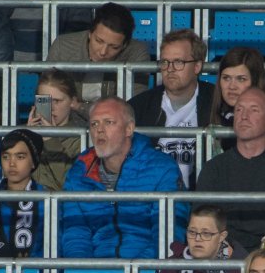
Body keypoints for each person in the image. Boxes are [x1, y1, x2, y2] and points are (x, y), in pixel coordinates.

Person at [61, 97, 186, 259]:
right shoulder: (79, 173)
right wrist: (85, 270)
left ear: (129, 129)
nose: (99, 130)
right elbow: (75, 233)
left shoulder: (162, 168)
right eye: (94, 124)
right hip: (96, 268)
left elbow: (168, 235)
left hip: (149, 268)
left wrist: (137, 269)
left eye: (109, 122)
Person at [196, 87, 265, 252]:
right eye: (239, 109)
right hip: (225, 255)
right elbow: (203, 222)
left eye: (254, 110)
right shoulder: (214, 168)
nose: (244, 116)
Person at [131, 29, 216, 188]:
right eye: (164, 62)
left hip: (202, 197)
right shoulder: (139, 107)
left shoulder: (216, 102)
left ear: (197, 66)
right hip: (153, 195)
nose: (170, 69)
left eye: (178, 62)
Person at [48, 3, 151, 104]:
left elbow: (134, 106)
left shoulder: (137, 53)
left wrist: (80, 108)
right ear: (90, 33)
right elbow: (47, 99)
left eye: (114, 47)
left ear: (125, 45)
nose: (103, 52)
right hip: (66, 115)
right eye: (98, 41)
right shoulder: (63, 46)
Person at [0, 128, 46, 257]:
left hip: (33, 269)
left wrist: (28, 269)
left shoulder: (46, 200)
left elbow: (51, 247)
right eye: (6, 157)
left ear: (33, 162)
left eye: (20, 157)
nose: (11, 163)